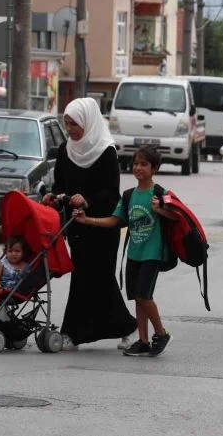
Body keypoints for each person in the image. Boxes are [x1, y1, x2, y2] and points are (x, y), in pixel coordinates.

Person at [41, 97, 137, 350]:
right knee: (82, 276)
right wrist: (55, 197)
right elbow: (60, 184)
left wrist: (88, 199)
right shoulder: (65, 150)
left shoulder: (106, 151)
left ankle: (128, 327)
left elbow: (111, 192)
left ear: (88, 122)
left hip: (102, 225)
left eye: (75, 124)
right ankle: (75, 332)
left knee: (101, 277)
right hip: (76, 225)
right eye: (67, 123)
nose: (70, 129)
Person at [72, 146, 174, 357]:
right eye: (136, 163)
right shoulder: (128, 196)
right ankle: (144, 341)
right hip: (134, 254)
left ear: (154, 168)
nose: (138, 168)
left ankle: (161, 333)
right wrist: (86, 220)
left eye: (144, 164)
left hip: (152, 254)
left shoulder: (160, 193)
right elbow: (115, 220)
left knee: (144, 295)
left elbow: (177, 217)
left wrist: (161, 210)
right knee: (138, 297)